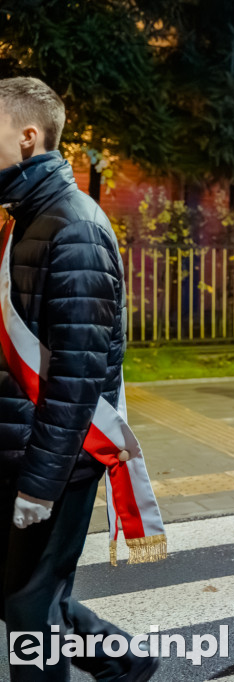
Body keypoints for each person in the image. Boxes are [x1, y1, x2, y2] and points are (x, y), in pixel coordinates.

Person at [0, 77, 158, 681]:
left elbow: (77, 375)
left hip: (58, 460)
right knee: (28, 596)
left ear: (28, 137)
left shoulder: (75, 228)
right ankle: (126, 664)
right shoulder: (26, 217)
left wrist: (39, 486)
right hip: (24, 445)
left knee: (29, 608)